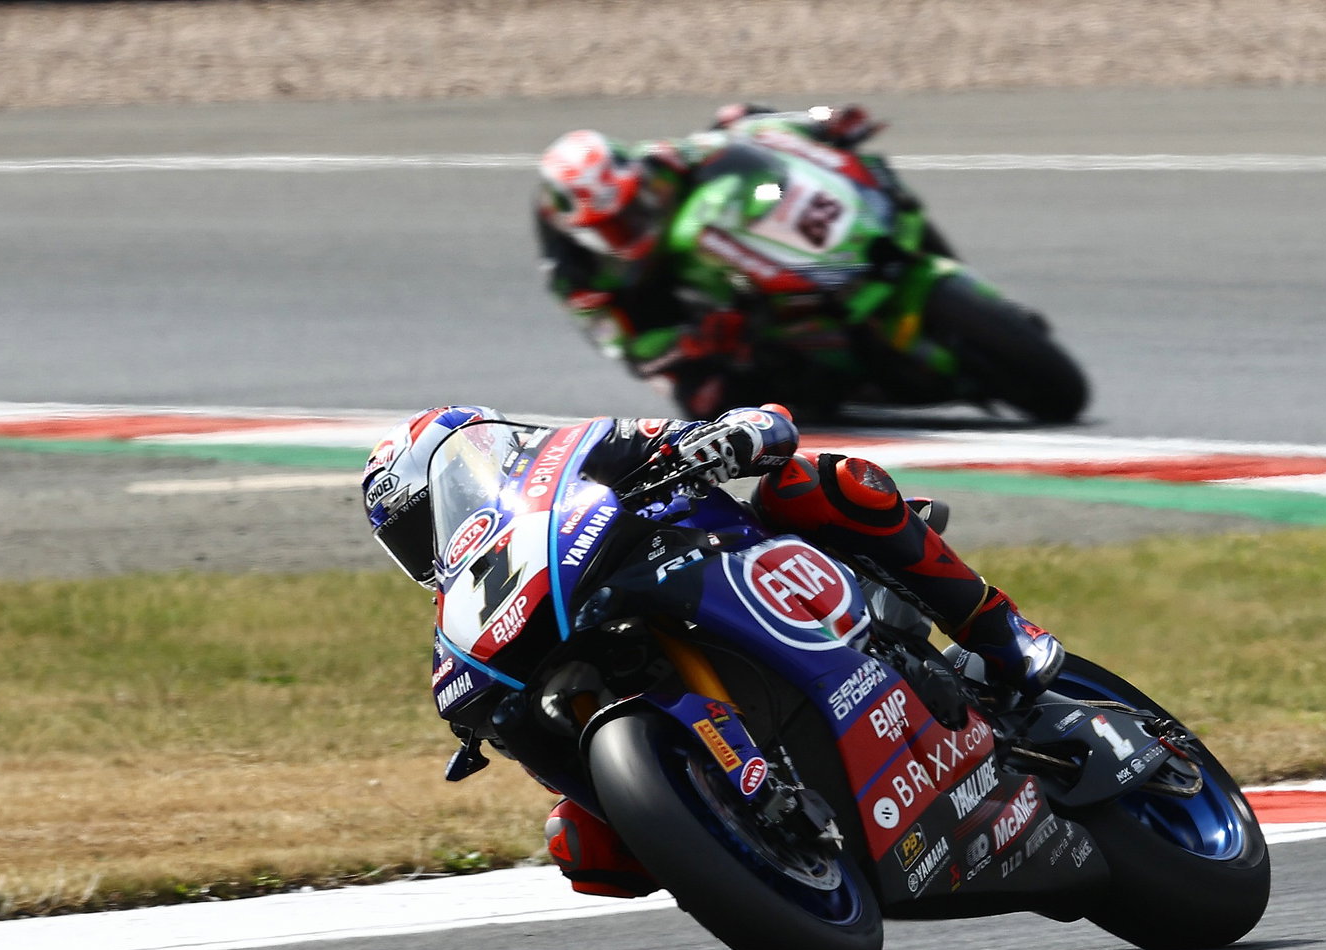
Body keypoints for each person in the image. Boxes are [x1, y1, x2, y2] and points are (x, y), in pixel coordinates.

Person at [362, 402, 1064, 898]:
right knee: (583, 848)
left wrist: (724, 439)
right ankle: (739, 836)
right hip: (636, 664)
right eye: (407, 538)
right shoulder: (462, 613)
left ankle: (1003, 631)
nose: (427, 540)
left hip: (727, 556)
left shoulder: (568, 457)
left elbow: (762, 423)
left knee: (820, 482)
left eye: (427, 512)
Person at [533, 103, 898, 421]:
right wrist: (687, 341)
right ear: (580, 231)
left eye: (635, 204)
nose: (632, 223)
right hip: (672, 317)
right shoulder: (575, 278)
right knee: (709, 403)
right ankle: (808, 396)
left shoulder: (656, 161)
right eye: (613, 226)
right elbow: (627, 349)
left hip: (711, 245)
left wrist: (818, 121)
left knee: (740, 116)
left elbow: (730, 139)